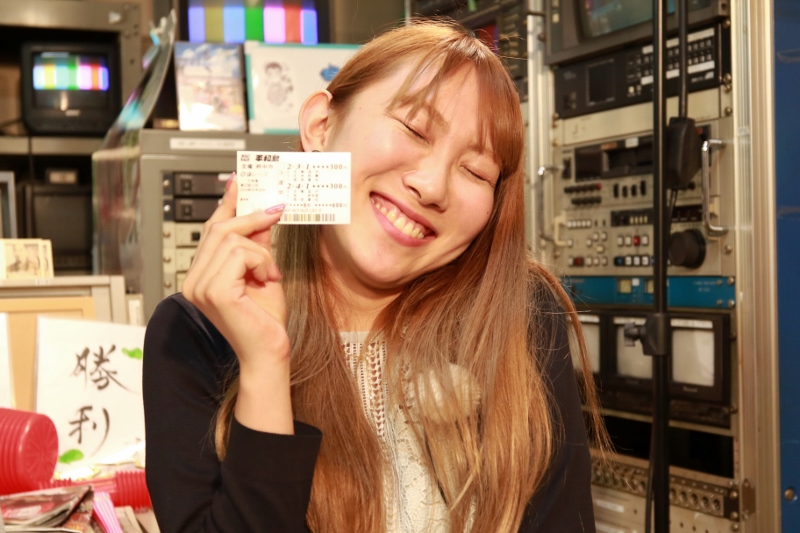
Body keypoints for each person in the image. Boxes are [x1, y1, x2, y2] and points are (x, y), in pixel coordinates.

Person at [143, 20, 606, 533]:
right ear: (321, 126)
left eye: (476, 171)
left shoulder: (521, 313)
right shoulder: (194, 335)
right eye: (414, 129)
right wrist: (265, 363)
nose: (432, 187)